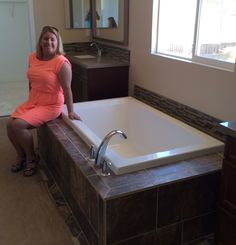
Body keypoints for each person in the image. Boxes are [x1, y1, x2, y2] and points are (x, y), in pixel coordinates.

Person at [7, 25, 81, 177]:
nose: (49, 42)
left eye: (53, 39)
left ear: (57, 42)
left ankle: (31, 158)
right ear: (40, 41)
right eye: (45, 38)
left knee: (18, 125)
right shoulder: (32, 57)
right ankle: (20, 156)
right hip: (34, 100)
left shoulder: (61, 62)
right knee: (9, 125)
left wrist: (71, 111)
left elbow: (67, 89)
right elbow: (32, 80)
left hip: (50, 104)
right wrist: (29, 101)